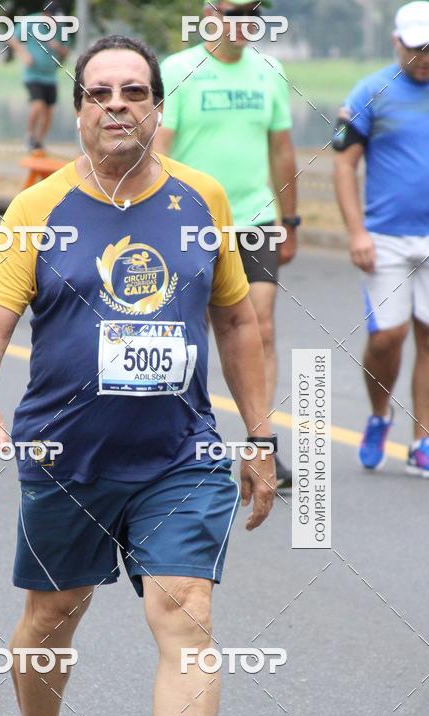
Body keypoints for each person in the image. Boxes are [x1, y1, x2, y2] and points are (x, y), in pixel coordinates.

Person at [0, 34, 277, 716]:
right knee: (52, 618)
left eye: (132, 91)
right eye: (99, 92)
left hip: (178, 456)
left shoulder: (201, 199)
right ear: (78, 109)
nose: (116, 106)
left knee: (185, 613)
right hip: (67, 456)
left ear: (156, 105)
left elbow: (239, 324)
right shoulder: (40, 208)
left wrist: (260, 437)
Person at [154, 0, 299, 489]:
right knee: (184, 332)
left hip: (256, 218)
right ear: (208, 12)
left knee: (259, 327)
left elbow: (281, 148)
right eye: (235, 9)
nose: (245, 20)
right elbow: (160, 148)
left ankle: (263, 443)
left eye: (255, 11)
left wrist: (291, 218)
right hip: (192, 220)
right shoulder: (178, 69)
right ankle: (174, 440)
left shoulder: (270, 70)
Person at [333, 0, 429, 477]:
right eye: (417, 47)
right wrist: (356, 232)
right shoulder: (371, 91)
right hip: (385, 237)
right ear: (397, 41)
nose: (426, 56)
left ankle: (422, 441)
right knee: (388, 336)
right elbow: (344, 164)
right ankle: (378, 415)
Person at [8, 2, 69, 150]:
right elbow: (12, 38)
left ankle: (39, 141)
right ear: (45, 14)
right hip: (33, 75)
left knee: (49, 111)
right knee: (38, 105)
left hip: (50, 75)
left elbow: (66, 52)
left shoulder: (60, 28)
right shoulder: (30, 21)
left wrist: (58, 47)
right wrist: (24, 54)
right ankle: (29, 136)